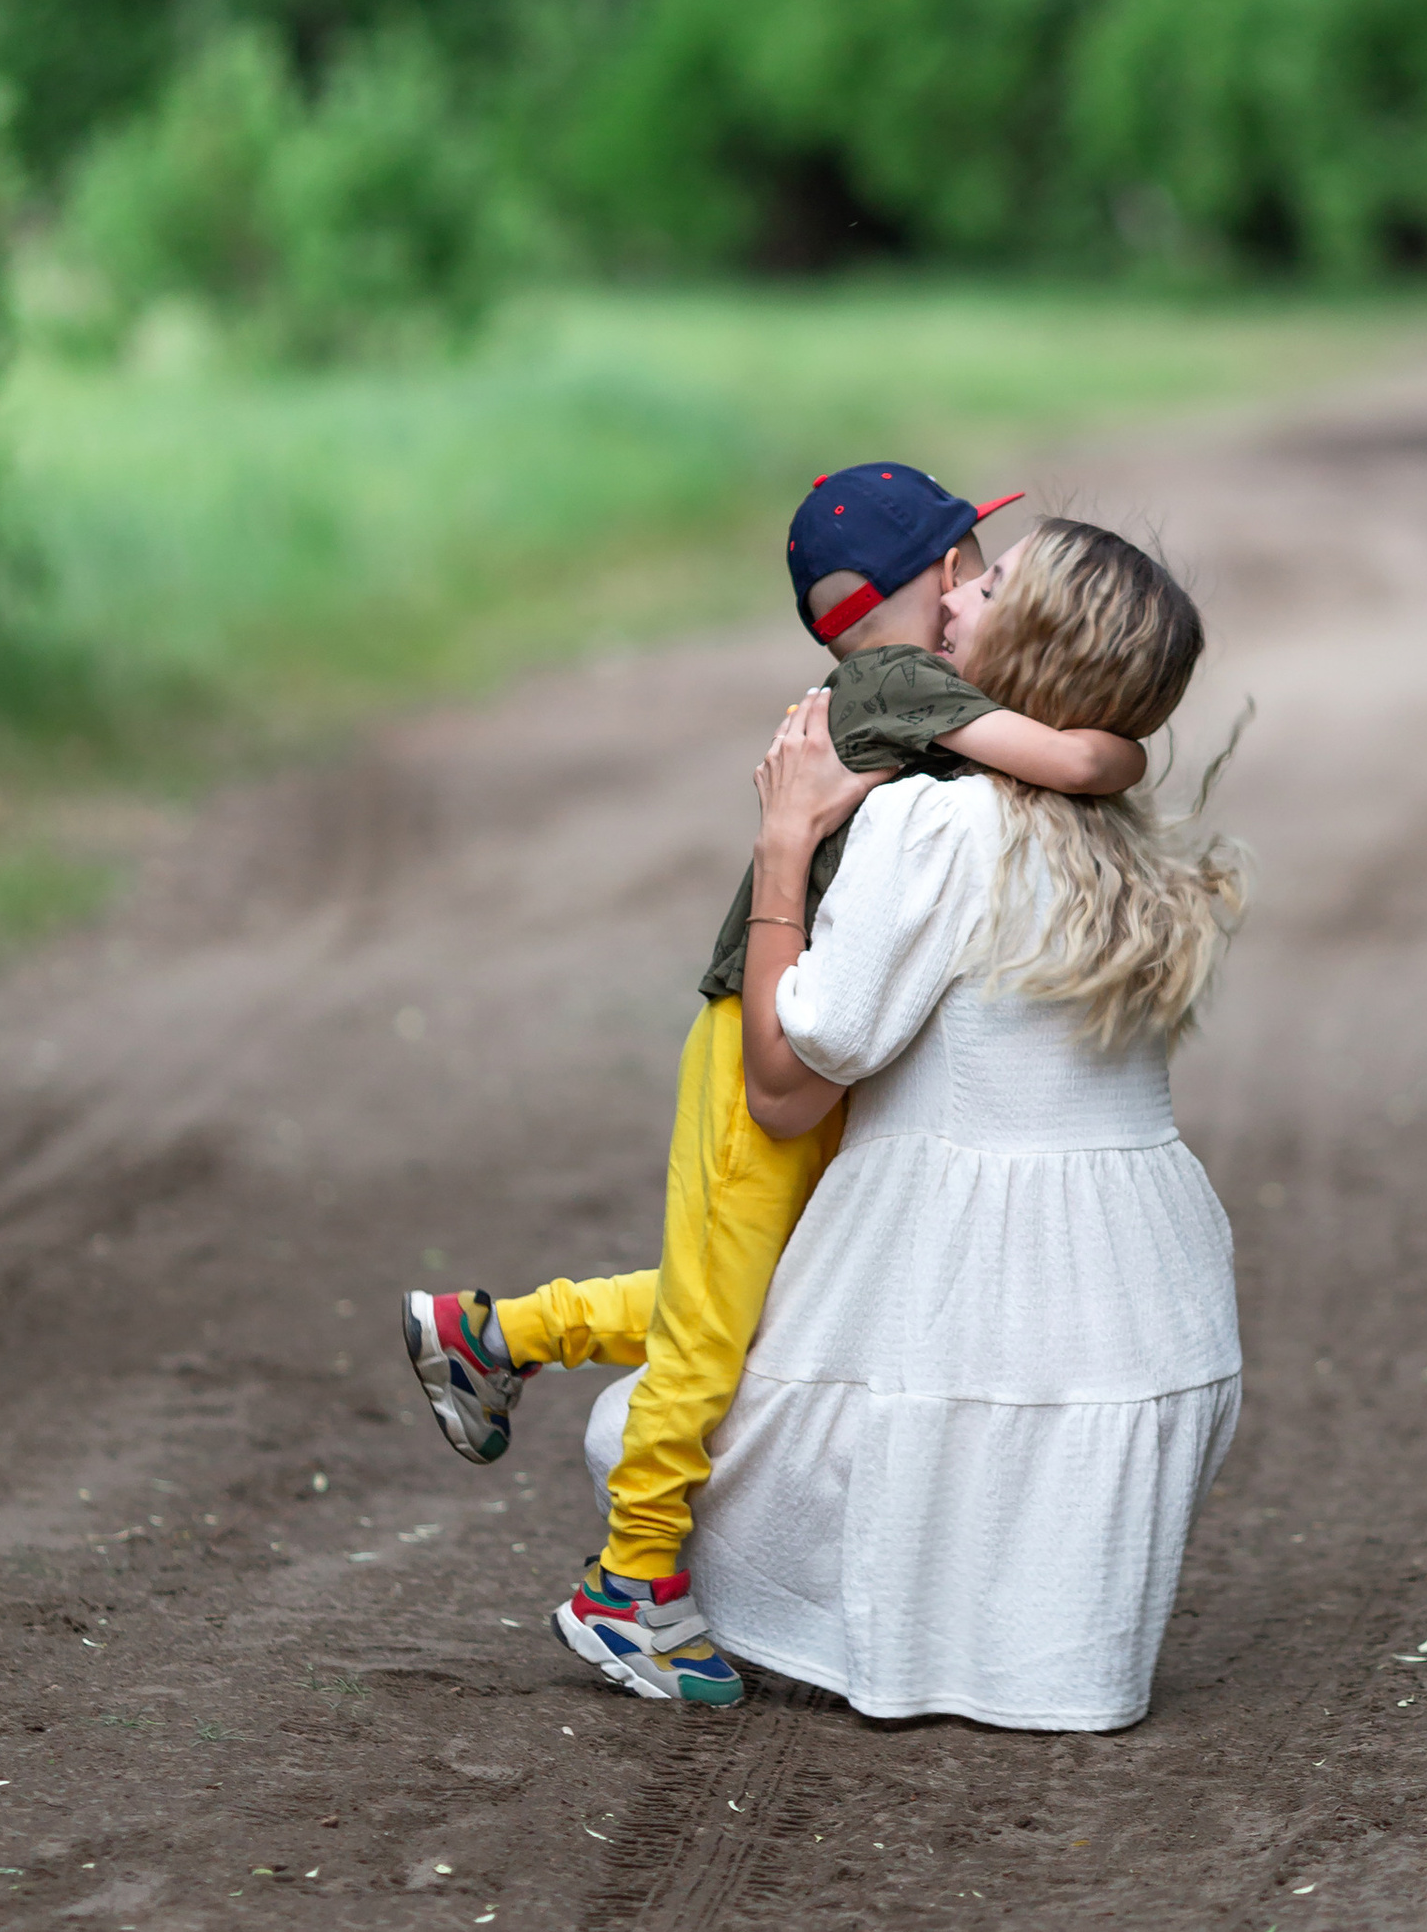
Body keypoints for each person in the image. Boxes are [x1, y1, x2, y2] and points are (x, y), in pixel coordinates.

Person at [398, 462, 1150, 1708]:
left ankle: (497, 1334)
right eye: (975, 560)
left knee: (772, 1293)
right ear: (941, 576)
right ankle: (628, 1584)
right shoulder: (905, 688)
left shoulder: (883, 689)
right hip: (772, 1017)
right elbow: (1077, 762)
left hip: (787, 1011)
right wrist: (1131, 742)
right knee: (719, 1319)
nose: (979, 580)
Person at [575, 516, 1246, 1731]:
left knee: (630, 1427)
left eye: (986, 590)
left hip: (963, 1271)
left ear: (1034, 647)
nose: (946, 605)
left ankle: (807, 1604)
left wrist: (785, 848)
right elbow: (1105, 766)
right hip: (1145, 1298)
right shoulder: (1137, 855)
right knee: (978, 1419)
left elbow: (785, 1087)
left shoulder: (935, 825)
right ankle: (1038, 1654)